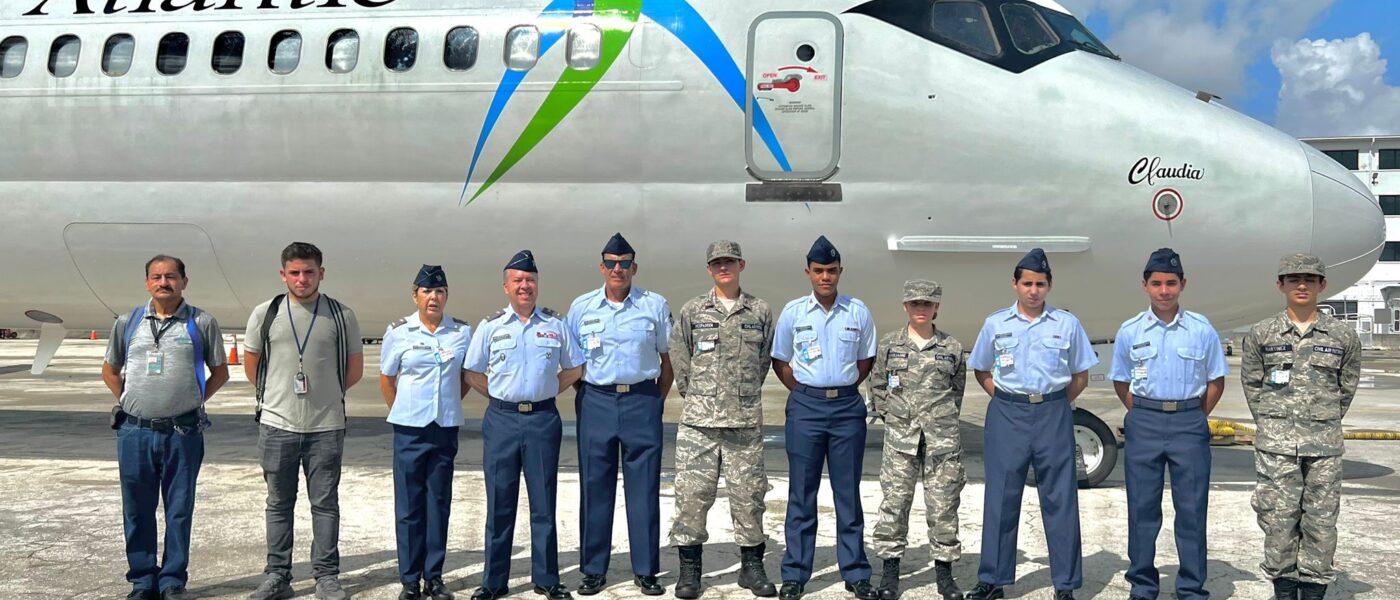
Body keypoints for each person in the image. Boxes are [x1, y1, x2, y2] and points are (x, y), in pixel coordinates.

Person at [965, 248, 1097, 600]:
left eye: (1040, 284)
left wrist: (1055, 403)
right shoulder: (996, 323)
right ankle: (992, 580)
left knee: (1060, 498)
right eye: (1027, 283)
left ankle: (1065, 584)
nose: (1033, 290)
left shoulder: (1067, 324)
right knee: (1001, 497)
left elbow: (1080, 374)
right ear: (1015, 285)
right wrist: (1008, 398)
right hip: (1008, 414)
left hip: (1053, 412)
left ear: (1049, 286)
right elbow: (981, 368)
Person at [101, 255, 229, 600]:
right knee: (137, 509)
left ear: (184, 281)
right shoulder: (128, 322)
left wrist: (190, 400)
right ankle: (142, 581)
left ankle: (172, 580)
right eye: (156, 277)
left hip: (182, 433)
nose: (163, 282)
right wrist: (130, 400)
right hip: (135, 432)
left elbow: (220, 371)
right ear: (147, 283)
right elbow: (110, 369)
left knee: (179, 509)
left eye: (171, 276)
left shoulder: (201, 322)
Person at [244, 242, 364, 600]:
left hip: (326, 426)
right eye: (294, 272)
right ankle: (277, 574)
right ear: (283, 274)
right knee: (278, 503)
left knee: (325, 504)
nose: (302, 279)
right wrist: (278, 397)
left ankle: (326, 576)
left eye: (309, 272)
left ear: (321, 273)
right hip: (277, 424)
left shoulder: (341, 315)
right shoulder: (266, 313)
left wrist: (324, 395)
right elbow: (254, 364)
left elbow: (353, 369)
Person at [464, 250, 583, 600]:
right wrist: (501, 396)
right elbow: (471, 372)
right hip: (501, 420)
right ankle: (494, 581)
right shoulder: (490, 326)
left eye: (530, 280)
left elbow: (574, 368)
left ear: (537, 285)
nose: (524, 286)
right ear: (506, 287)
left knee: (543, 504)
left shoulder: (554, 324)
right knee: (500, 503)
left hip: (543, 420)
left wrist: (543, 392)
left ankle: (547, 579)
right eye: (517, 280)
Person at [1241, 253, 1361, 600]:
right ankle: (1284, 588)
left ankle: (1312, 590)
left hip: (1324, 448)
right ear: (1280, 285)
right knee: (1278, 520)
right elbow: (1253, 385)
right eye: (1293, 279)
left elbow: (1346, 387)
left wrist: (1321, 422)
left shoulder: (1342, 335)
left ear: (1323, 285)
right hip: (1276, 446)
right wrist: (1273, 424)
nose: (1302, 285)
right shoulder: (1263, 333)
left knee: (1321, 523)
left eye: (1310, 278)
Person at [1109, 248, 1227, 600]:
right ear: (1145, 286)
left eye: (1171, 283)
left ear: (1182, 285)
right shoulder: (1130, 330)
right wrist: (1145, 411)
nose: (1164, 291)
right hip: (1144, 421)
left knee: (1191, 509)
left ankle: (1191, 587)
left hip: (1189, 423)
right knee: (1142, 509)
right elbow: (1120, 379)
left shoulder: (1201, 329)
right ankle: (1143, 586)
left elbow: (1216, 380)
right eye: (1157, 283)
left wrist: (1190, 415)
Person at [667, 240, 777, 599]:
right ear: (709, 269)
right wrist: (701, 395)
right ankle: (690, 571)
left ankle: (751, 567)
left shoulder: (759, 311)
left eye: (729, 261)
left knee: (748, 497)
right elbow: (681, 359)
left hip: (743, 423)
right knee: (692, 497)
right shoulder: (693, 310)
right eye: (717, 263)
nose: (723, 267)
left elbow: (762, 363)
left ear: (742, 265)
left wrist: (739, 395)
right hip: (699, 423)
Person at [770, 235, 878, 600]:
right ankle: (796, 573)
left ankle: (856, 572)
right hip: (806, 408)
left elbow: (865, 362)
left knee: (847, 493)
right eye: (819, 271)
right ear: (808, 273)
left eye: (831, 271)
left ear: (840, 272)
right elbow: (781, 361)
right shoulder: (794, 313)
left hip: (847, 408)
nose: (825, 277)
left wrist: (839, 388)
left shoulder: (858, 312)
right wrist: (806, 391)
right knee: (802, 493)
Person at [566, 233, 673, 596]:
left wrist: (653, 401)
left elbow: (667, 361)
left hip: (642, 400)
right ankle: (594, 569)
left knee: (644, 489)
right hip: (596, 400)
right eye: (611, 263)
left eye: (624, 263)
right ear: (602, 267)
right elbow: (571, 363)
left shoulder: (654, 305)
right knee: (595, 486)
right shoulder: (581, 307)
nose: (617, 269)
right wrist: (591, 395)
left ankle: (646, 570)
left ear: (634, 267)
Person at [868, 279, 966, 600]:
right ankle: (890, 575)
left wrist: (937, 422)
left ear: (936, 307)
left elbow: (956, 392)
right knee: (894, 507)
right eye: (915, 304)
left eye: (927, 303)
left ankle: (945, 576)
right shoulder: (889, 345)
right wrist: (896, 420)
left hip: (941, 442)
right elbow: (878, 388)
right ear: (905, 307)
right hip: (900, 441)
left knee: (943, 508)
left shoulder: (951, 347)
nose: (920, 309)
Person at [379, 265, 472, 600]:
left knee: (438, 503)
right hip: (409, 430)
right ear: (414, 295)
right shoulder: (399, 332)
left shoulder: (461, 332)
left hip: (444, 428)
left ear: (446, 296)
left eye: (440, 292)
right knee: (408, 507)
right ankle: (409, 580)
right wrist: (404, 410)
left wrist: (444, 404)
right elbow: (388, 379)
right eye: (427, 291)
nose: (434, 297)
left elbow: (466, 377)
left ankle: (434, 576)